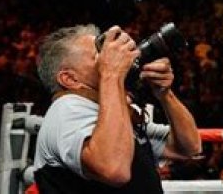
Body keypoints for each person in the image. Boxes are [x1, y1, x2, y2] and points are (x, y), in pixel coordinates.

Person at [32, 24, 202, 193]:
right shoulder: (66, 108)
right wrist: (112, 74)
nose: (113, 56)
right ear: (70, 79)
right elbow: (114, 170)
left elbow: (189, 147)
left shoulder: (109, 112)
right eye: (100, 54)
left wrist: (165, 94)